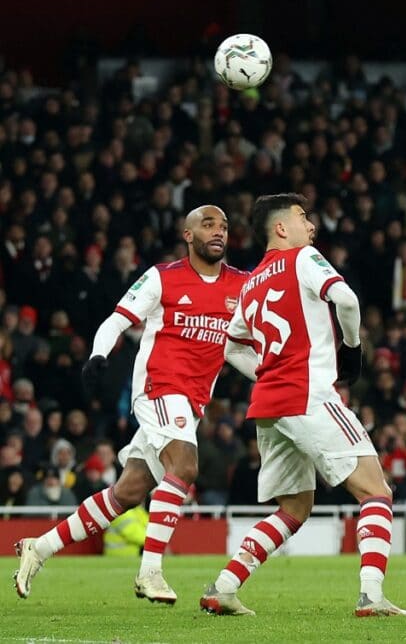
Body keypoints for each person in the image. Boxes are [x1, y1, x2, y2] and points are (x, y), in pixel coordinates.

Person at [14, 205, 247, 605]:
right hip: (158, 387)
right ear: (187, 234)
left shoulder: (240, 286)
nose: (218, 232)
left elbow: (236, 349)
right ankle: (150, 572)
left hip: (190, 403)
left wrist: (276, 377)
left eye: (224, 226)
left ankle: (41, 547)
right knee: (185, 466)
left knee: (128, 492)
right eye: (208, 225)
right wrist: (97, 355)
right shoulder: (162, 277)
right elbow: (118, 319)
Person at [200, 193, 406, 618]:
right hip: (309, 395)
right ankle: (371, 595)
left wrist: (264, 373)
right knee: (376, 491)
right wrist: (352, 349)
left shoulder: (251, 283)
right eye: (302, 218)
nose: (310, 226)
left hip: (269, 407)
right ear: (281, 228)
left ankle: (224, 586)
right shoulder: (303, 258)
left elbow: (230, 346)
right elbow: (346, 300)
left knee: (294, 508)